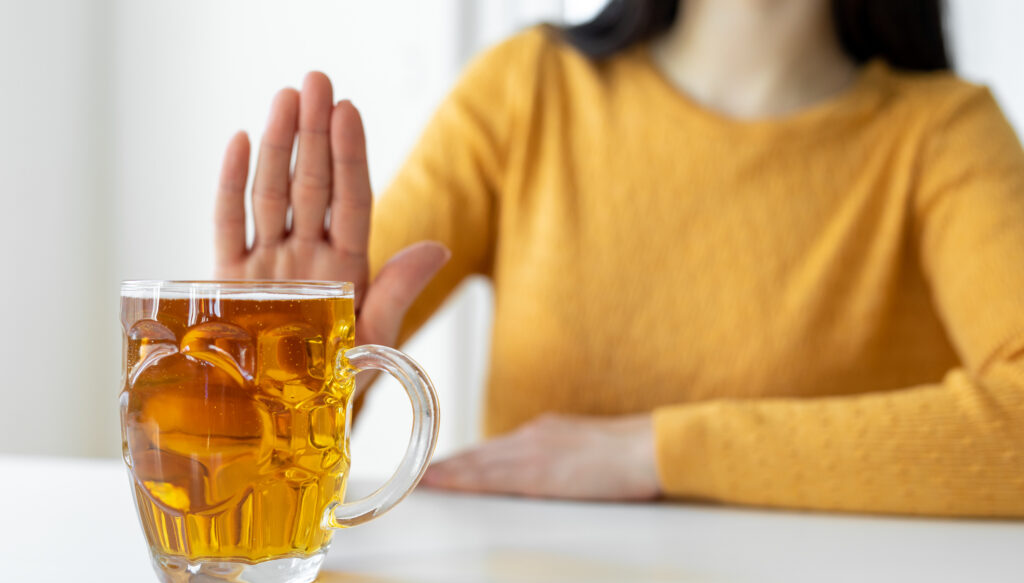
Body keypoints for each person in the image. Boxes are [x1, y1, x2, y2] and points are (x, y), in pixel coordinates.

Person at [212, 0, 1024, 516]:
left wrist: (652, 452)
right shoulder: (528, 91)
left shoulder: (946, 135)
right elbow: (264, 455)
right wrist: (264, 369)